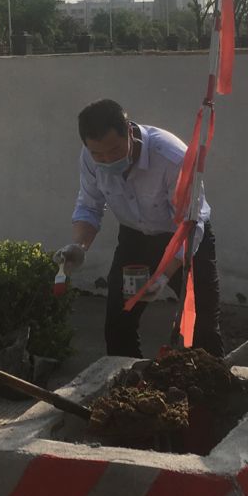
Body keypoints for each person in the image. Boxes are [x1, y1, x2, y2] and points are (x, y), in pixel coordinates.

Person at [56, 98, 225, 358]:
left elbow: (191, 224)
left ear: (129, 132)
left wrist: (164, 275)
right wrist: (79, 246)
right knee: (119, 322)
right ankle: (127, 378)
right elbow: (89, 206)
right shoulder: (90, 157)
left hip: (185, 240)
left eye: (114, 150)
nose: (107, 160)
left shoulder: (171, 157)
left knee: (202, 325)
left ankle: (210, 379)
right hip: (135, 241)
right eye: (98, 154)